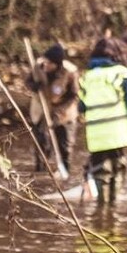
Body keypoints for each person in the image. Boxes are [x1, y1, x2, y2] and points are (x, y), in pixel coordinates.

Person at [78, 37, 127, 204]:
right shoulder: (122, 73)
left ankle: (102, 207)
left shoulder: (87, 77)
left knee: (100, 171)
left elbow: (81, 107)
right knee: (117, 168)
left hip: (95, 133)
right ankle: (111, 207)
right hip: (117, 132)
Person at [25, 43, 79, 174]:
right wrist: (34, 86)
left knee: (64, 145)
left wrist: (59, 113)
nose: (46, 66)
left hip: (64, 110)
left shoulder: (70, 72)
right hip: (42, 107)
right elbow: (28, 82)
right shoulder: (38, 66)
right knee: (42, 142)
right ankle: (41, 171)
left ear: (57, 65)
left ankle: (65, 171)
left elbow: (73, 96)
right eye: (46, 62)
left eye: (50, 64)